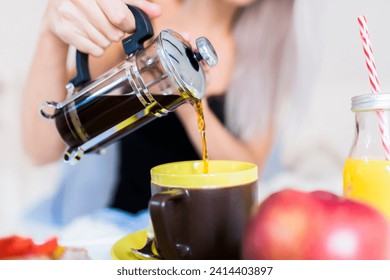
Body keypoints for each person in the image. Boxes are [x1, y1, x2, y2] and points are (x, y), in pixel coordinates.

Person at [21, 0, 311, 223]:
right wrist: (52, 36)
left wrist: (182, 97)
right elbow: (41, 147)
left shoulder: (269, 55)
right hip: (127, 225)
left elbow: (250, 171)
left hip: (208, 230)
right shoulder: (146, 16)